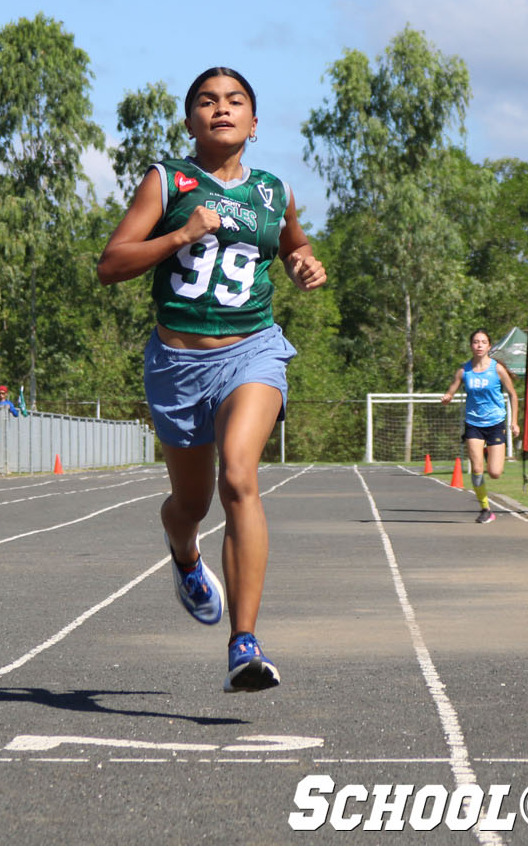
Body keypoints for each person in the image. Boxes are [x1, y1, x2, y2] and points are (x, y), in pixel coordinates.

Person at [97, 66, 326, 693]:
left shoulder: (273, 190)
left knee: (238, 476)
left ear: (255, 121)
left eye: (234, 101)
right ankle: (185, 554)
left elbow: (293, 245)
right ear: (190, 119)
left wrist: (305, 264)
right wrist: (181, 233)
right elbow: (112, 264)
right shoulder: (168, 181)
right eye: (206, 101)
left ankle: (244, 645)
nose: (220, 109)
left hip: (253, 350)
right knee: (191, 504)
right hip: (178, 363)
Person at [440, 329, 521, 524]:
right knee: (476, 469)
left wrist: (514, 421)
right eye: (476, 342)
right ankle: (485, 508)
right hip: (473, 424)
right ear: (471, 345)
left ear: (489, 346)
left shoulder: (497, 369)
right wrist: (447, 397)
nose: (479, 345)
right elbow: (452, 389)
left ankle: (488, 451)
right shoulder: (464, 370)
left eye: (483, 342)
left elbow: (513, 394)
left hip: (495, 423)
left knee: (494, 473)